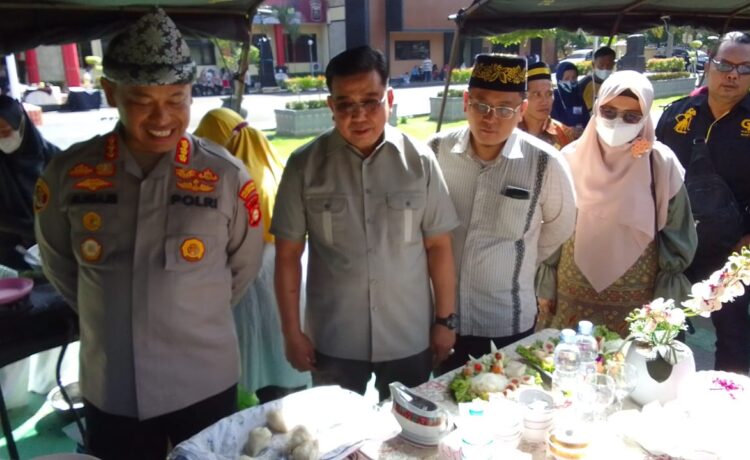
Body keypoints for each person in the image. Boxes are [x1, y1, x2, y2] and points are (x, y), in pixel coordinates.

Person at [34, 9, 264, 459]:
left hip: (202, 380)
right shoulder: (70, 174)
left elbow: (243, 267)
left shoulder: (226, 177)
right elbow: (59, 263)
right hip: (111, 383)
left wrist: (179, 308)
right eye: (143, 100)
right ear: (110, 93)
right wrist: (114, 311)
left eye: (177, 99)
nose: (163, 117)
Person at [272, 45, 459, 401]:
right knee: (336, 444)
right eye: (345, 104)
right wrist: (291, 333)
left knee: (412, 435)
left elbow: (439, 247)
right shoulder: (304, 166)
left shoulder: (420, 162)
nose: (358, 116)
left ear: (389, 98)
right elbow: (287, 256)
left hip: (408, 333)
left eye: (371, 101)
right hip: (335, 337)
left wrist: (445, 322)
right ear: (331, 107)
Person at [427, 54, 576, 373]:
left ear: (521, 110)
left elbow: (561, 224)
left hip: (504, 321)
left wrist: (519, 256)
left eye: (505, 109)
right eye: (481, 105)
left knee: (501, 408)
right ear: (466, 101)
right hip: (440, 319)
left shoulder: (543, 164)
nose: (490, 118)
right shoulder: (436, 152)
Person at [540, 70, 697, 335]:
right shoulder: (569, 158)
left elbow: (677, 231)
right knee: (568, 361)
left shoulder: (659, 163)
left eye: (631, 117)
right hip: (571, 289)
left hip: (636, 295)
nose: (616, 123)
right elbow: (552, 226)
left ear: (645, 118)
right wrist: (544, 285)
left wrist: (664, 303)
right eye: (609, 112)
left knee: (626, 365)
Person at [194, 108, 311, 402]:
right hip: (290, 273)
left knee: (260, 352)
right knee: (284, 357)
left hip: (253, 280)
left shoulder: (232, 181)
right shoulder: (272, 162)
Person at [655, 31, 750, 373]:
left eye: (745, 68)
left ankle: (727, 403)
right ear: (709, 64)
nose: (733, 74)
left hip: (730, 251)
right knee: (661, 329)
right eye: (725, 64)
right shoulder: (678, 114)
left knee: (734, 337)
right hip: (672, 246)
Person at [0, 95, 59, 269]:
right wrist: (27, 227)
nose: (2, 139)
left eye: (5, 132)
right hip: (7, 253)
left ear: (22, 125)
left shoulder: (53, 158)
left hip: (54, 247)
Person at [518, 61, 574, 150]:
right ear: (523, 98)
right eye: (537, 94)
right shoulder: (509, 131)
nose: (544, 102)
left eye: (549, 94)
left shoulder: (565, 135)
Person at [551, 61, 589, 138]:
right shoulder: (553, 97)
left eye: (574, 78)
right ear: (559, 80)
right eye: (566, 78)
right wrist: (568, 130)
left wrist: (583, 130)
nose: (570, 81)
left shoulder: (578, 96)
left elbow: (587, 120)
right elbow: (551, 122)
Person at [579, 46, 616, 113]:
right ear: (593, 65)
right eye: (601, 65)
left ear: (613, 64)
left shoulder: (616, 84)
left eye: (608, 65)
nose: (605, 68)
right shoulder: (583, 84)